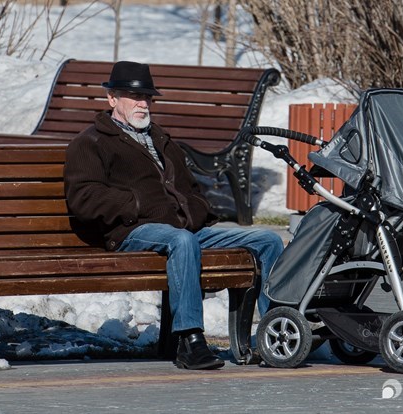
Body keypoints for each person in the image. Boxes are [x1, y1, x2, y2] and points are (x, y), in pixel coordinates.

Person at [64, 61, 284, 370]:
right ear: (112, 98)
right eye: (133, 96)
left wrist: (197, 210)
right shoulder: (91, 143)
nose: (143, 103)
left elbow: (191, 187)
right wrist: (136, 204)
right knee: (181, 241)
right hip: (131, 231)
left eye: (148, 98)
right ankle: (189, 341)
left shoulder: (161, 138)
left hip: (184, 231)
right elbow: (83, 199)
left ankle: (278, 331)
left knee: (267, 240)